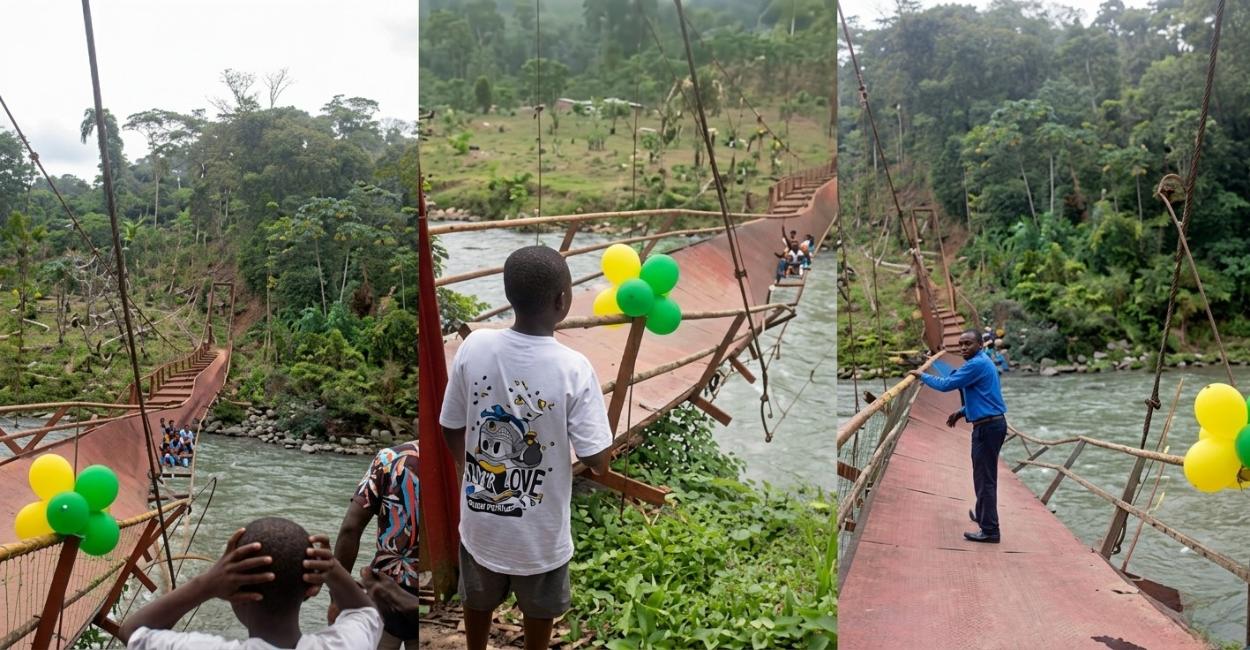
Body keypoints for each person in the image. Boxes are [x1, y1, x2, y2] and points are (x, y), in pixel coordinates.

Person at [440, 245, 613, 650]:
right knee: (539, 615)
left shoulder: (475, 346)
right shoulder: (574, 367)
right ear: (562, 300)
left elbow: (451, 425)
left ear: (509, 295)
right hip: (541, 537)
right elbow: (597, 459)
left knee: (477, 604)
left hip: (481, 526)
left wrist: (468, 473)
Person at [120, 519, 382, 649]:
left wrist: (207, 583)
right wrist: (332, 568)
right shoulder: (345, 644)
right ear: (311, 591)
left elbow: (132, 630)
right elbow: (367, 613)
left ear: (233, 594)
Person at [907, 330, 1009, 543]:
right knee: (983, 477)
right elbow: (985, 396)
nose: (963, 348)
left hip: (988, 428)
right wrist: (961, 412)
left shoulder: (976, 365)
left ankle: (990, 530)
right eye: (961, 344)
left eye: (968, 344)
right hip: (990, 425)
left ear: (980, 345)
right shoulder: (982, 362)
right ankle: (983, 516)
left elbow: (946, 385)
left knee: (985, 480)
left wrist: (921, 375)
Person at [333, 438, 419, 648]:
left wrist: (338, 595)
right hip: (431, 592)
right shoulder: (461, 456)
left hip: (386, 590)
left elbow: (350, 529)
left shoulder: (390, 458)